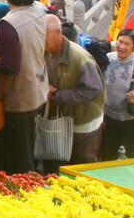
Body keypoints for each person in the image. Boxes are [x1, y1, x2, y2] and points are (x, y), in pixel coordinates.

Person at [0, 0, 48, 173]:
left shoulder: (9, 24)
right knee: (27, 144)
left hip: (19, 96)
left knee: (18, 152)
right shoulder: (40, 12)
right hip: (37, 88)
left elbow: (10, 66)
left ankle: (23, 188)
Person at [43, 14, 105, 166]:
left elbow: (94, 89)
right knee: (56, 161)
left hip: (83, 119)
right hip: (59, 119)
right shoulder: (43, 51)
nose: (41, 40)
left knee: (82, 162)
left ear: (58, 32)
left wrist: (59, 96)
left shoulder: (79, 58)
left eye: (44, 35)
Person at [99, 28, 134, 160]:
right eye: (120, 42)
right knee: (107, 151)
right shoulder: (108, 58)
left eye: (127, 44)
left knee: (128, 152)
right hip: (108, 115)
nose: (122, 47)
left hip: (130, 118)